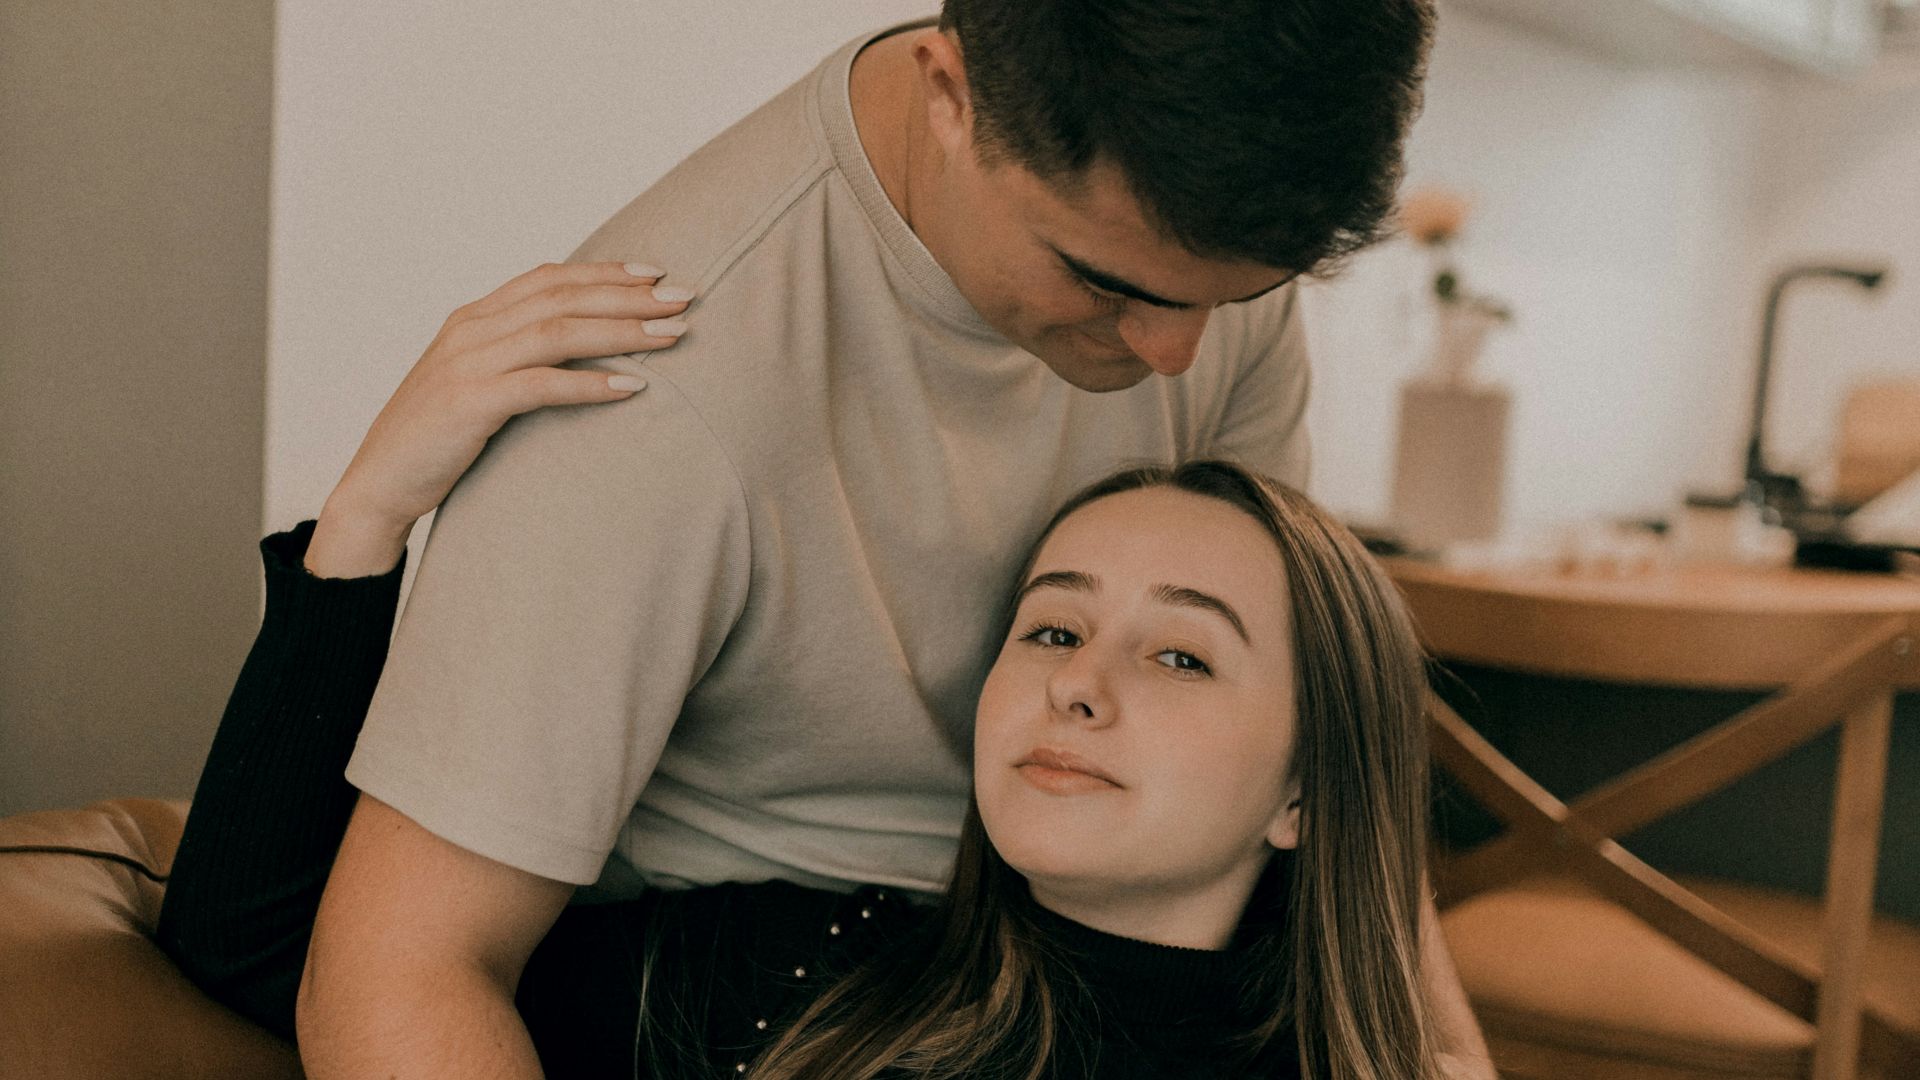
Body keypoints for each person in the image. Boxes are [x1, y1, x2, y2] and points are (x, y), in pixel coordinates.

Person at [270, 2, 1493, 1075]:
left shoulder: (1201, 251)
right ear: (950, 93)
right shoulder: (658, 397)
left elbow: (1317, 723)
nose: (1177, 354)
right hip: (801, 1004)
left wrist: (1435, 1048)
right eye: (1106, 283)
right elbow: (400, 970)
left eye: (1232, 299)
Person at [160, 443, 1474, 1078]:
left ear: (1306, 790)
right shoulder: (807, 975)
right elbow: (264, 953)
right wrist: (365, 527)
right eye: (1054, 626)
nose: (1079, 682)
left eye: (1181, 656)